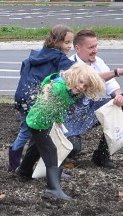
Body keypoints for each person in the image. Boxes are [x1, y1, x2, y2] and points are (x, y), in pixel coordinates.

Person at [20, 63, 106, 200]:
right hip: (38, 122)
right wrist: (47, 88)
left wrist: (59, 120)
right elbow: (51, 85)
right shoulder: (60, 87)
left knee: (35, 147)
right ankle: (53, 189)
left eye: (85, 86)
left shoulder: (72, 93)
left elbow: (59, 105)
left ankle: (23, 171)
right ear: (74, 76)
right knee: (50, 151)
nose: (81, 87)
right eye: (81, 82)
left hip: (42, 121)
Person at [65, 29, 123, 168]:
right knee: (72, 149)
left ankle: (101, 155)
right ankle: (58, 152)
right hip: (71, 115)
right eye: (91, 47)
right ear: (78, 48)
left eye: (96, 46)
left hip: (89, 109)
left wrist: (119, 96)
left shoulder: (98, 61)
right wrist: (117, 72)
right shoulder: (69, 65)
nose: (95, 51)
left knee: (121, 106)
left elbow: (112, 86)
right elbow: (89, 80)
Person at [7, 25, 74, 172]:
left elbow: (23, 73)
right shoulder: (58, 57)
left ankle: (17, 163)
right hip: (35, 100)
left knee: (29, 130)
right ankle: (20, 166)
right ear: (56, 41)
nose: (70, 46)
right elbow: (74, 72)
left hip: (23, 98)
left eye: (71, 42)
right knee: (38, 132)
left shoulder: (36, 55)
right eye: (67, 42)